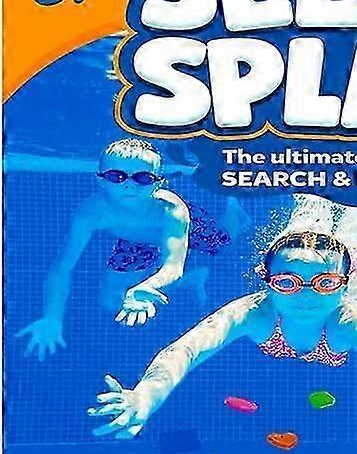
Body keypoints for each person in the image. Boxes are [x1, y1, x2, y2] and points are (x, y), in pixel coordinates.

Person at [86, 195, 357, 443]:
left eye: (325, 284)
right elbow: (185, 350)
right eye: (288, 283)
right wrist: (145, 396)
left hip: (355, 263)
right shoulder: (254, 312)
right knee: (308, 214)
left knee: (354, 223)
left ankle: (350, 195)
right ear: (266, 279)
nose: (306, 296)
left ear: (341, 283)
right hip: (322, 259)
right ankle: (314, 191)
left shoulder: (349, 319)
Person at [16, 139, 223, 361]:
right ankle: (193, 278)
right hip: (136, 241)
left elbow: (172, 266)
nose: (129, 185)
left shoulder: (172, 211)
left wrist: (145, 286)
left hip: (189, 230)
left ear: (158, 183)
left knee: (223, 247)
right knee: (110, 302)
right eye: (117, 176)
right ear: (101, 180)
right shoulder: (92, 212)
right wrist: (52, 317)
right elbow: (62, 267)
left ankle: (234, 212)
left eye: (143, 178)